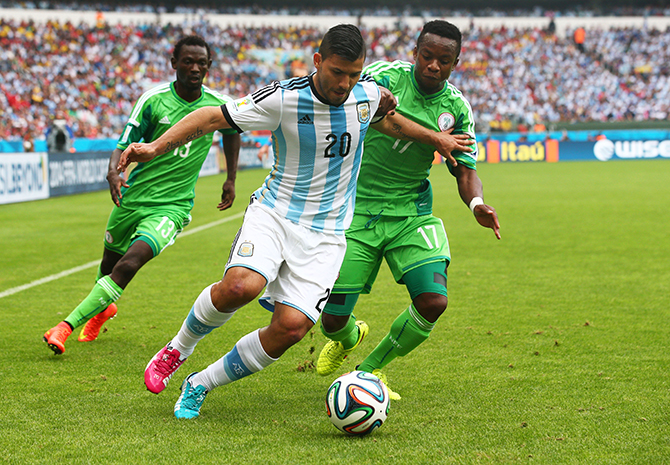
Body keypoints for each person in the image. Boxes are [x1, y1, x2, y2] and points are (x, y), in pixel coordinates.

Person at [117, 24, 473, 419]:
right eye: (338, 72)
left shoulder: (368, 95)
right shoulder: (285, 99)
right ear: (318, 62)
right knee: (240, 286)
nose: (345, 83)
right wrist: (154, 146)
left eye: (354, 74)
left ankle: (201, 383)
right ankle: (178, 349)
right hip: (275, 214)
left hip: (327, 236)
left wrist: (435, 139)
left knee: (290, 329)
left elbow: (388, 121)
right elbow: (210, 117)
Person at [315, 20, 501, 400]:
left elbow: (466, 170)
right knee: (331, 319)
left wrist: (477, 203)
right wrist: (433, 137)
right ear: (415, 53)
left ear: (455, 63)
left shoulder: (456, 108)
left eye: (443, 60)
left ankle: (370, 370)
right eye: (427, 56)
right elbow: (357, 108)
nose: (433, 65)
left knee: (434, 300)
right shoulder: (382, 77)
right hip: (354, 211)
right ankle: (351, 336)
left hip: (410, 213)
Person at [43, 35, 241, 355]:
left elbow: (233, 133)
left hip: (172, 206)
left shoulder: (217, 105)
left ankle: (64, 326)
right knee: (109, 263)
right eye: (188, 61)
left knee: (129, 264)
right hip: (134, 197)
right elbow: (124, 142)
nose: (195, 68)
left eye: (201, 63)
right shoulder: (153, 100)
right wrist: (113, 172)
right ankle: (103, 309)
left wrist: (231, 178)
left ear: (209, 67)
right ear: (173, 62)